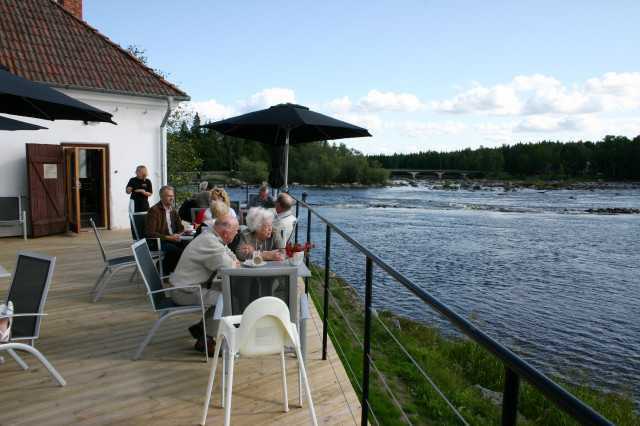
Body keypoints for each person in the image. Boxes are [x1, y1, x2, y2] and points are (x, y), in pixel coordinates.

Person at [169, 215, 241, 354]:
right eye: (236, 230)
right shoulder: (210, 243)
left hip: (193, 285)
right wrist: (233, 261)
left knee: (229, 291)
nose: (237, 233)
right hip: (184, 291)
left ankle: (202, 327)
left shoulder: (211, 236)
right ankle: (205, 341)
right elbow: (230, 267)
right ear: (226, 232)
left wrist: (233, 260)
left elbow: (230, 255)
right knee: (227, 300)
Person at [145, 185, 187, 274]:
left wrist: (179, 234)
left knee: (188, 246)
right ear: (161, 197)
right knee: (174, 250)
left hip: (172, 238)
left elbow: (180, 227)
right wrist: (168, 237)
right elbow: (149, 232)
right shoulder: (154, 210)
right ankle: (164, 270)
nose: (172, 198)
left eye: (172, 196)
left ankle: (177, 271)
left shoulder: (173, 210)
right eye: (169, 196)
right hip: (158, 241)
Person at [126, 165, 152, 239]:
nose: (137, 172)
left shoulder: (147, 181)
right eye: (137, 170)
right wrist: (129, 189)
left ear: (143, 172)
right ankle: (136, 237)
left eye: (139, 170)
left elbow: (150, 193)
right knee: (134, 219)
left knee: (145, 218)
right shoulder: (132, 180)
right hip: (134, 202)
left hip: (144, 203)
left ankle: (145, 236)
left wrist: (143, 192)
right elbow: (127, 192)